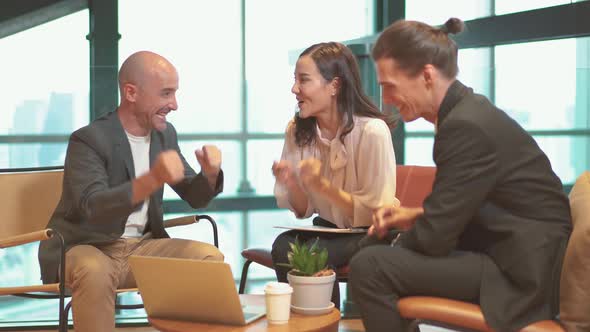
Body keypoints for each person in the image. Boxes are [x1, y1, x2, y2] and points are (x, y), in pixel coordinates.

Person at [348, 17, 572, 332]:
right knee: (373, 251)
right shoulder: (466, 113)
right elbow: (466, 207)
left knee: (369, 266)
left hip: (517, 274)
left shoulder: (464, 125)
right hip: (511, 254)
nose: (385, 99)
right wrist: (411, 220)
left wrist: (397, 242)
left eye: (389, 86)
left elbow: (436, 236)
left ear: (426, 75)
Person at [38, 51, 224, 332]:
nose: (174, 104)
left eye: (175, 93)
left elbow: (194, 196)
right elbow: (94, 207)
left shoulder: (165, 134)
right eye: (166, 94)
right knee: (94, 270)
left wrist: (209, 174)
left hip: (143, 247)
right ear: (131, 92)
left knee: (207, 258)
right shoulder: (88, 140)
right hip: (86, 247)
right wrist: (152, 179)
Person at [271, 42, 399, 309]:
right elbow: (303, 209)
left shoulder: (372, 132)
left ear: (334, 86)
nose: (294, 89)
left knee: (312, 253)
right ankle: (311, 324)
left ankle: (321, 322)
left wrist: (323, 187)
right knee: (283, 246)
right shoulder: (297, 130)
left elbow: (375, 211)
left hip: (371, 231)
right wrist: (293, 184)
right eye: (295, 80)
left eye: (303, 80)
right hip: (328, 228)